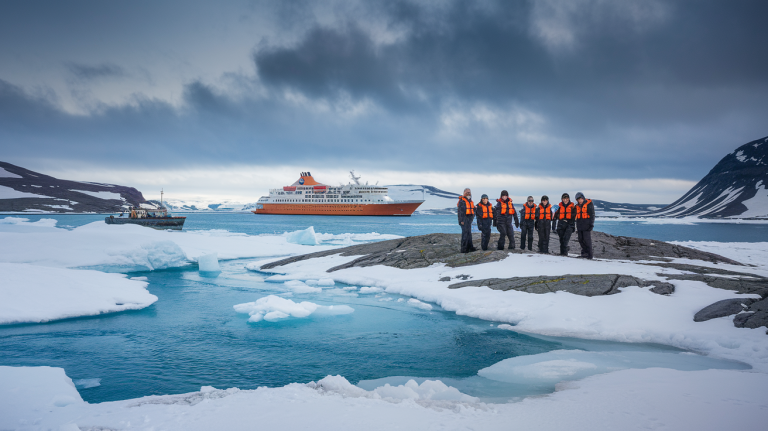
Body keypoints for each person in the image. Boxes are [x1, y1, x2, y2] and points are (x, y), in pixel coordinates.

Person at [575, 192, 595, 259]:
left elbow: (592, 215)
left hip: (586, 225)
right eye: (578, 200)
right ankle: (584, 253)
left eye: (580, 199)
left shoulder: (589, 204)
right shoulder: (577, 206)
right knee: (580, 240)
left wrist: (591, 224)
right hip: (579, 225)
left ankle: (589, 255)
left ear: (583, 198)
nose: (579, 201)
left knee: (587, 240)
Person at [457, 188, 477, 253]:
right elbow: (460, 212)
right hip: (464, 220)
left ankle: (470, 247)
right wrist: (461, 220)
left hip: (469, 219)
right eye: (467, 192)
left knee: (469, 233)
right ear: (464, 193)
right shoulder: (462, 201)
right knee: (465, 234)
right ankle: (463, 249)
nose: (468, 193)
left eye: (469, 192)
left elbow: (472, 210)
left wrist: (472, 217)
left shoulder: (470, 201)